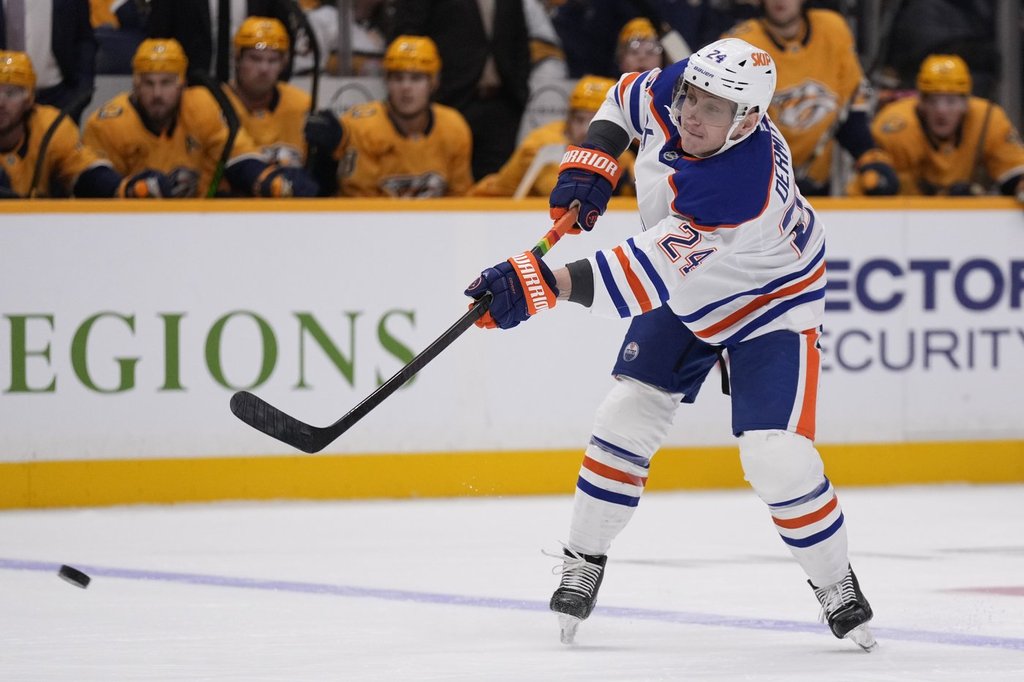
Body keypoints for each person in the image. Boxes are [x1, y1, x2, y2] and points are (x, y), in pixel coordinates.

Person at [463, 38, 877, 651]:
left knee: (776, 458)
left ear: (750, 119)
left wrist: (540, 282)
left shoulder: (739, 183)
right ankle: (584, 558)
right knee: (623, 418)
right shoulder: (680, 89)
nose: (693, 115)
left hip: (769, 301)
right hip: (687, 290)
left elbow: (641, 276)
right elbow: (623, 98)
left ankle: (836, 581)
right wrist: (591, 162)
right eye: (692, 97)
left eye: (715, 109)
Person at [83, 38, 316, 198]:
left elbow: (237, 156)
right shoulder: (108, 122)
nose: (157, 94)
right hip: (128, 226)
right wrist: (129, 189)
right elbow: (89, 178)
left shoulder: (202, 105)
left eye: (166, 83)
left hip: (197, 223)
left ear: (182, 85)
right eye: (148, 83)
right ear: (135, 84)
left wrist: (270, 180)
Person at [723, 0, 897, 197]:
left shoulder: (832, 29)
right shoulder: (740, 45)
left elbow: (848, 108)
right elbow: (729, 129)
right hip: (755, 183)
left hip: (816, 181)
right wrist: (774, 178)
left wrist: (867, 155)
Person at [303, 35, 473, 198]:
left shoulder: (454, 127)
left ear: (433, 82)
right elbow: (360, 205)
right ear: (386, 82)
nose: (406, 87)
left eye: (416, 78)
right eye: (398, 78)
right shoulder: (361, 126)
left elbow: (459, 199)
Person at [390, 0, 531, 181]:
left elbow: (519, 35)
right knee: (441, 181)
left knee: (495, 187)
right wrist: (431, 87)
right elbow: (408, 33)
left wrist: (518, 90)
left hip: (501, 104)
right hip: (451, 99)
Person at [0, 50, 162, 198]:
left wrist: (123, 189)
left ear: (30, 99)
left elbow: (85, 171)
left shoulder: (50, 125)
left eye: (11, 93)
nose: (1, 102)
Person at [868, 54, 1024, 199]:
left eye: (951, 101)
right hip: (906, 219)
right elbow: (873, 187)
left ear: (965, 103)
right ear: (921, 103)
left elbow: (1014, 172)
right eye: (933, 101)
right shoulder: (895, 127)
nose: (941, 110)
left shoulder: (989, 121)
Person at [469, 75, 634, 198]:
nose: (585, 130)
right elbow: (562, 192)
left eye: (596, 122)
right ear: (568, 119)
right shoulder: (543, 144)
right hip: (484, 208)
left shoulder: (622, 155)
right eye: (579, 119)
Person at [223, 16, 310, 168]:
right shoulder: (214, 104)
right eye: (255, 59)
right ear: (237, 59)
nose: (264, 69)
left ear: (283, 64)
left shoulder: (302, 104)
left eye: (273, 60)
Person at [0, 0, 96, 123]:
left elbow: (84, 38)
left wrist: (82, 88)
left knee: (61, 140)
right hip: (3, 100)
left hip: (58, 95)